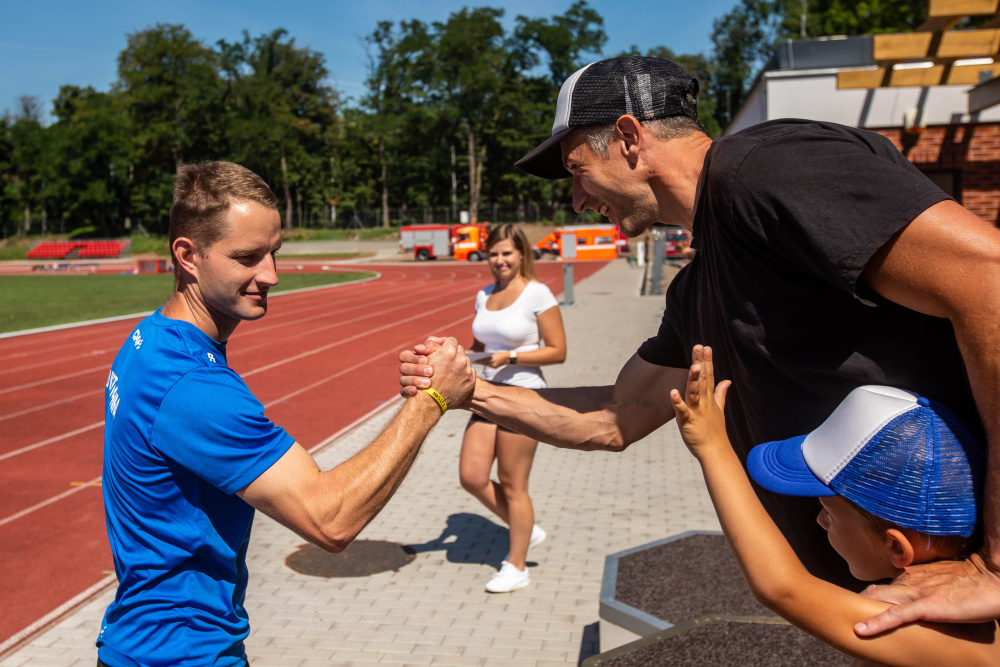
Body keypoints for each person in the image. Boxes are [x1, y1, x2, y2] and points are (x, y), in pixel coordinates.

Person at [398, 56, 1000, 631]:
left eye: (577, 169)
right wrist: (466, 391)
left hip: (955, 581)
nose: (577, 198)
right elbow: (617, 416)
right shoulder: (698, 285)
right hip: (882, 594)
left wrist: (995, 564)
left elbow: (989, 282)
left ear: (630, 137)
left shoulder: (767, 168)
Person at [97, 161, 474, 667]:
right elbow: (330, 520)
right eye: (247, 257)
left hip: (146, 642)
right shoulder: (191, 386)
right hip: (183, 653)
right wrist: (432, 401)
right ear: (188, 255)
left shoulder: (151, 339)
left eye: (275, 252)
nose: (270, 275)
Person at [670, 345, 997, 666]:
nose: (820, 521)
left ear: (897, 547)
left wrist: (712, 448)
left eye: (830, 513)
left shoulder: (925, 627)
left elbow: (782, 588)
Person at [461, 223, 566, 593]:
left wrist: (513, 356)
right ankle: (526, 528)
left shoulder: (538, 294)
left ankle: (517, 566)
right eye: (493, 253)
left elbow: (558, 350)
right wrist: (455, 352)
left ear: (522, 254)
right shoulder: (483, 294)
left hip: (524, 395)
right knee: (471, 476)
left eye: (507, 253)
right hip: (487, 394)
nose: (500, 260)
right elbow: (480, 342)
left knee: (512, 483)